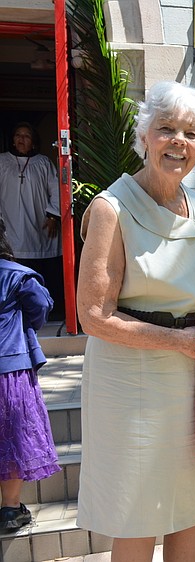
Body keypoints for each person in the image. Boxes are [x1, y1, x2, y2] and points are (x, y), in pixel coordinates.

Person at [75, 81, 195, 562]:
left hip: (193, 376)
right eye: (166, 128)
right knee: (137, 510)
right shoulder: (112, 208)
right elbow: (93, 316)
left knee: (191, 505)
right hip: (129, 380)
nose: (178, 141)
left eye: (192, 132)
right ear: (144, 136)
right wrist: (179, 341)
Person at [0, 217, 60, 531]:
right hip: (9, 370)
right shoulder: (18, 276)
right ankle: (10, 509)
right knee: (10, 436)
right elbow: (40, 305)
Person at [0, 122, 63, 321]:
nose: (21, 139)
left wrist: (53, 215)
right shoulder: (2, 161)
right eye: (18, 135)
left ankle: (43, 313)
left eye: (26, 136)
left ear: (34, 142)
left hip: (38, 227)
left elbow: (57, 190)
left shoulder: (43, 163)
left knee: (39, 270)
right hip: (8, 224)